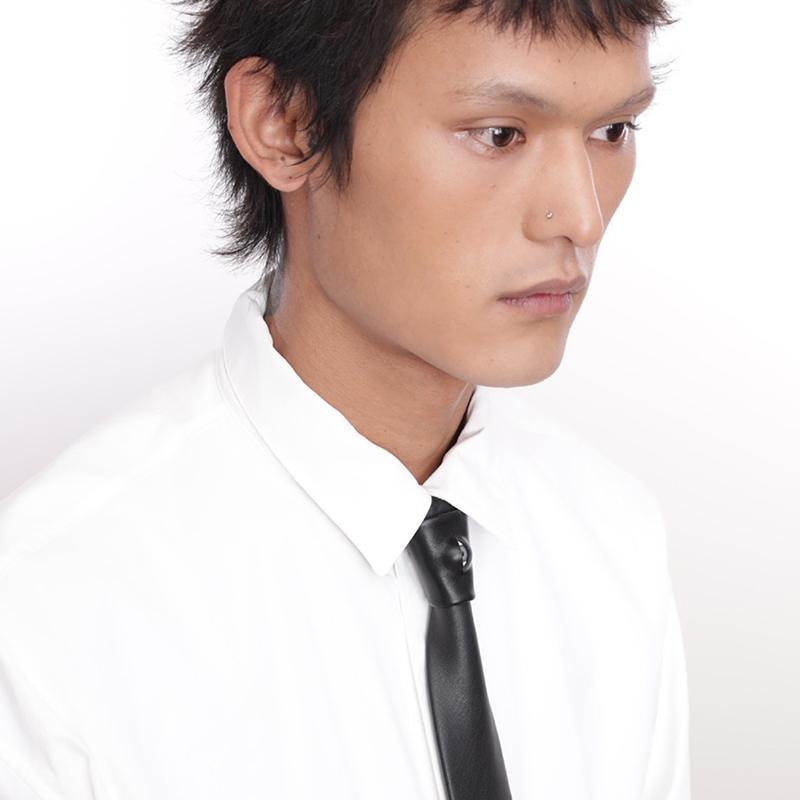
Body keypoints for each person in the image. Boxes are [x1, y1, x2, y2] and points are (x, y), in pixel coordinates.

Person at [0, 1, 690, 798]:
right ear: (283, 123)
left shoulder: (610, 538)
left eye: (612, 130)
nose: (582, 216)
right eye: (500, 134)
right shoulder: (51, 613)